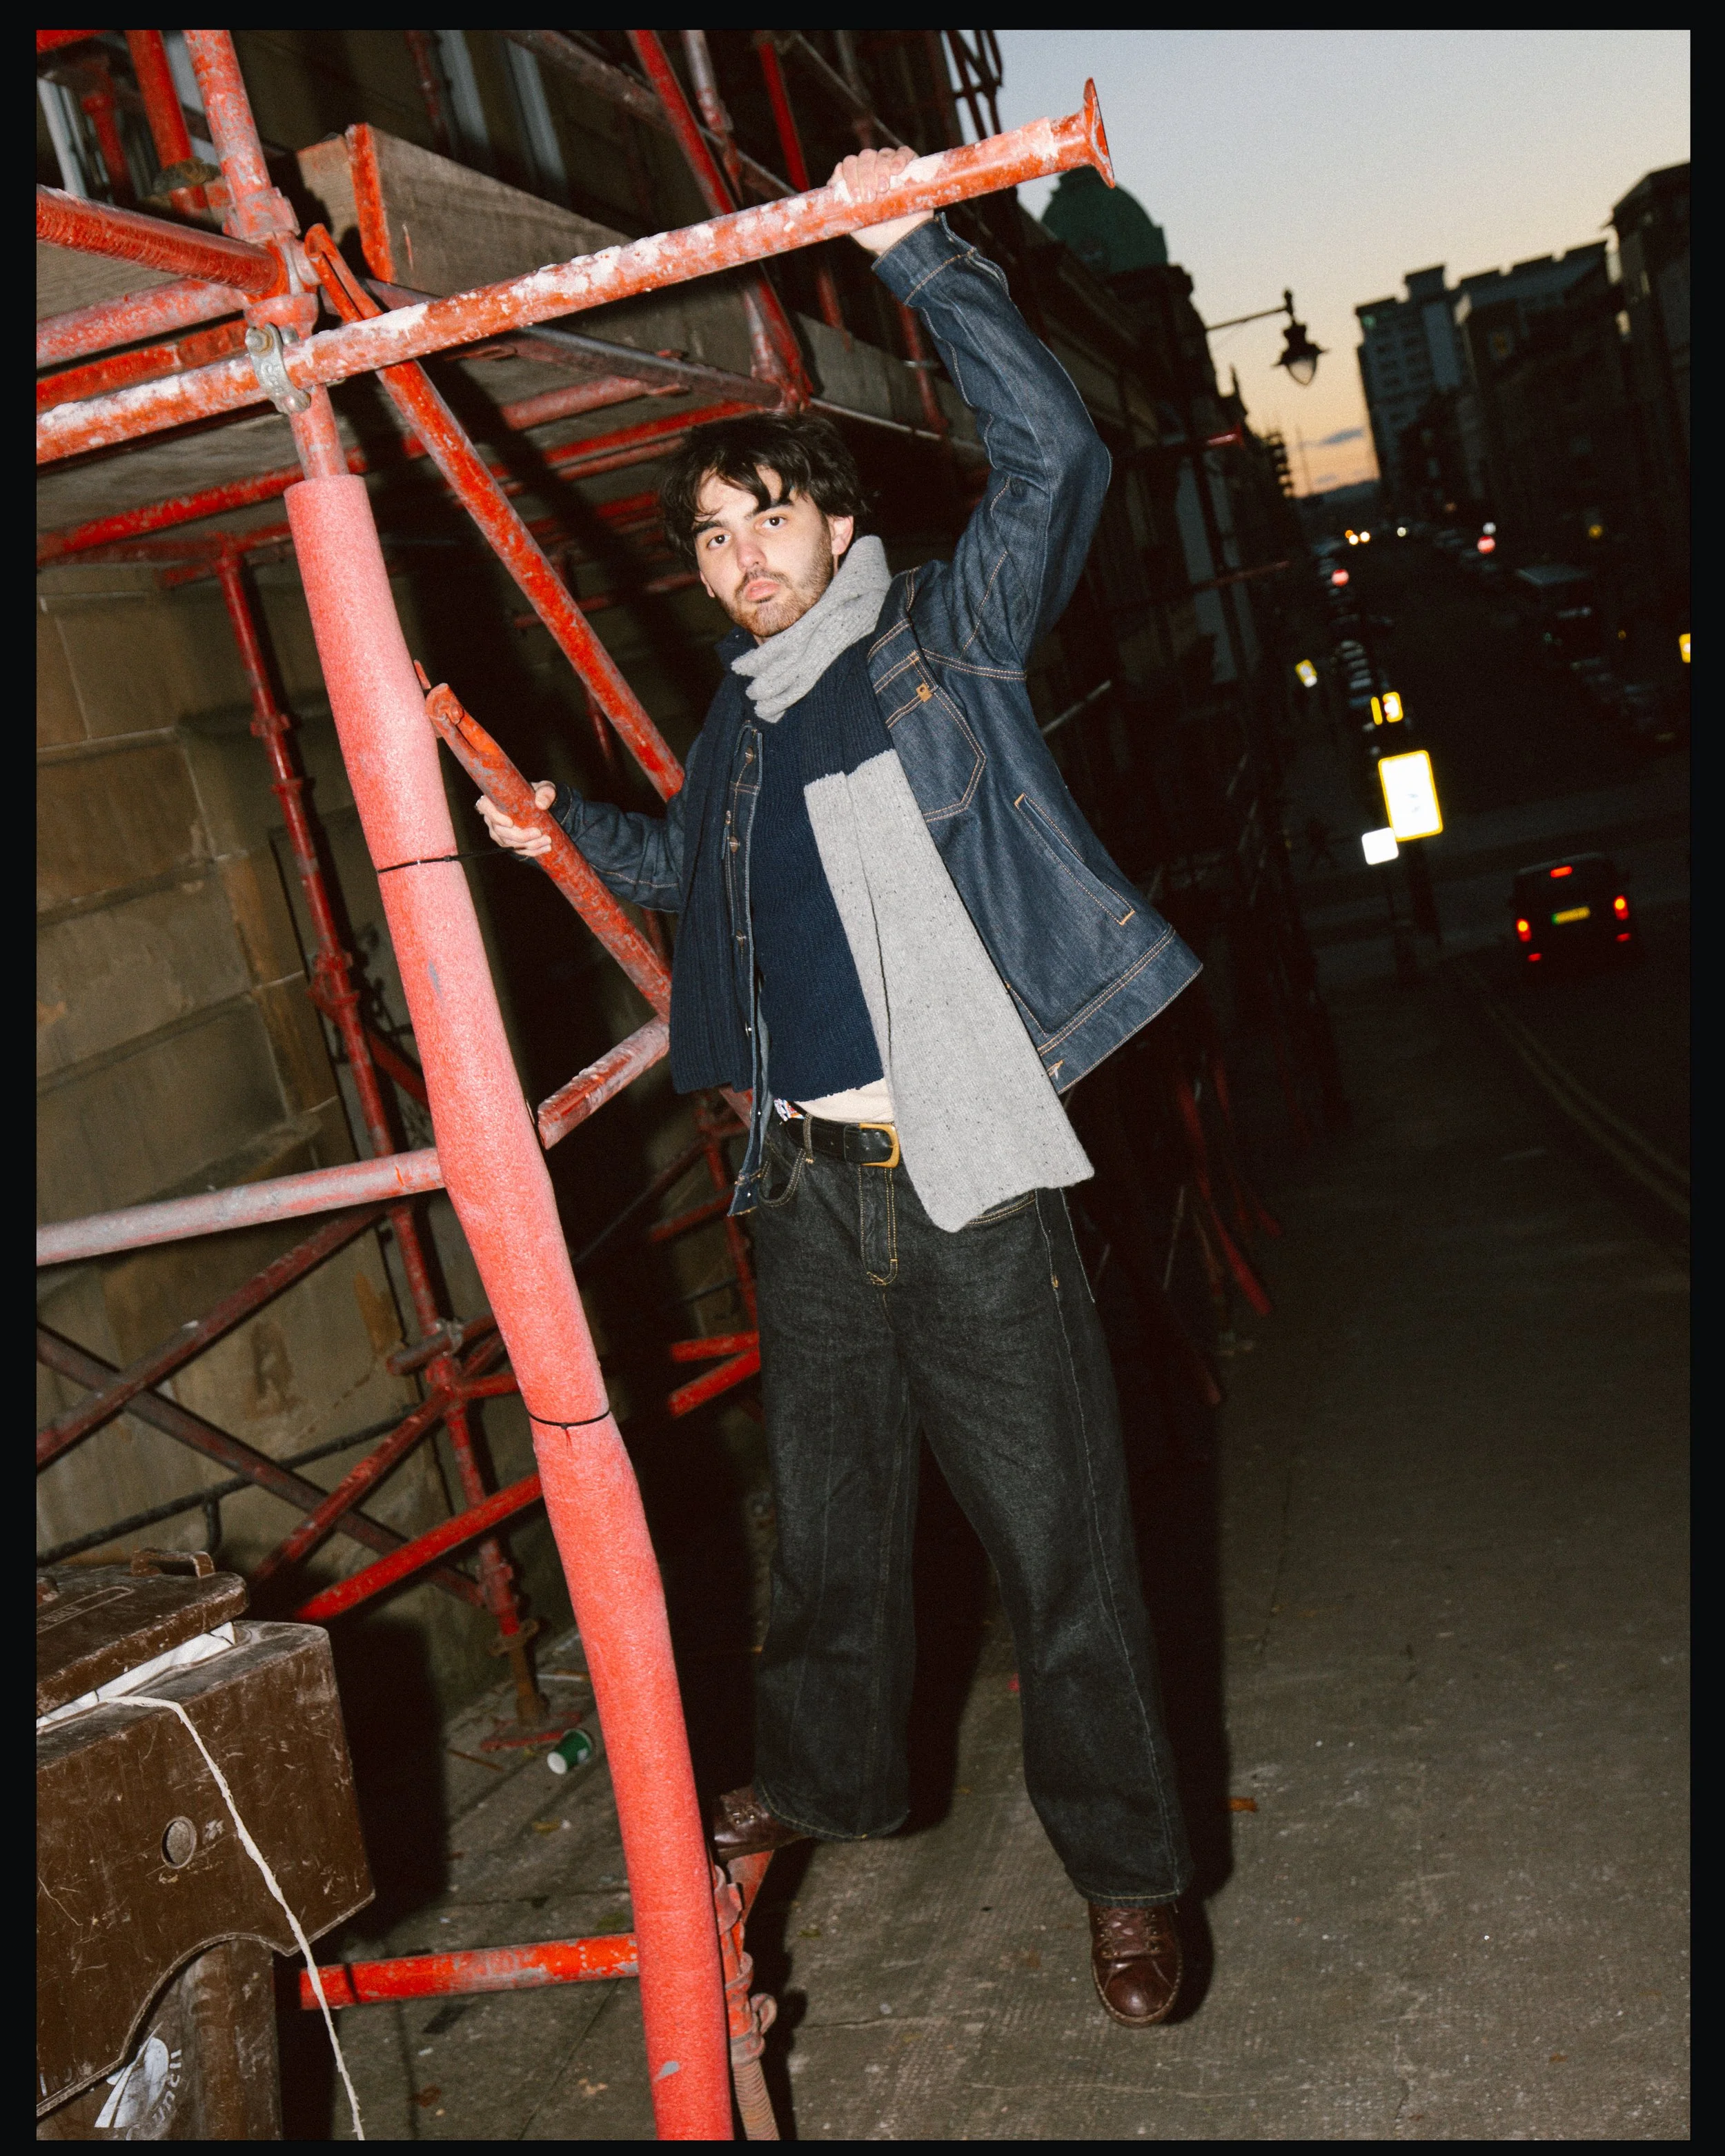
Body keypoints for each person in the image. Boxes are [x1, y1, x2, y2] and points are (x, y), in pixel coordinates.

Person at [480, 146, 1201, 2029]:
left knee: (1060, 1540)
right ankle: (824, 1778)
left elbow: (1056, 454)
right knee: (831, 1525)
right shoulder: (743, 714)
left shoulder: (936, 646)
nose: (736, 563)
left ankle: (1128, 1873)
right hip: (805, 1179)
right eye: (710, 541)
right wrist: (560, 826)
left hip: (961, 1154)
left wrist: (913, 246)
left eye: (761, 519)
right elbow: (700, 875)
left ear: (831, 515)